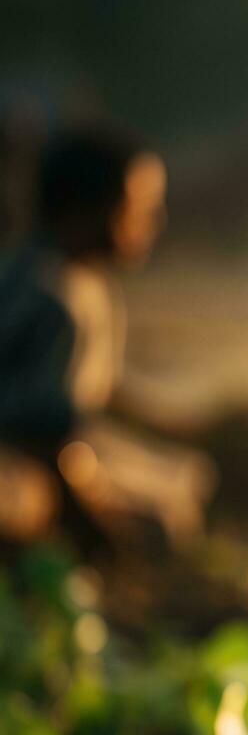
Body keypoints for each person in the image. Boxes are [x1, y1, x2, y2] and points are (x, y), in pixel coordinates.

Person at [0, 119, 175, 547]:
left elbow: (99, 392)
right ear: (88, 208)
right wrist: (104, 527)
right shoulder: (51, 299)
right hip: (23, 465)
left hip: (57, 452)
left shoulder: (86, 285)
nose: (155, 221)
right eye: (140, 206)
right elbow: (44, 434)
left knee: (180, 478)